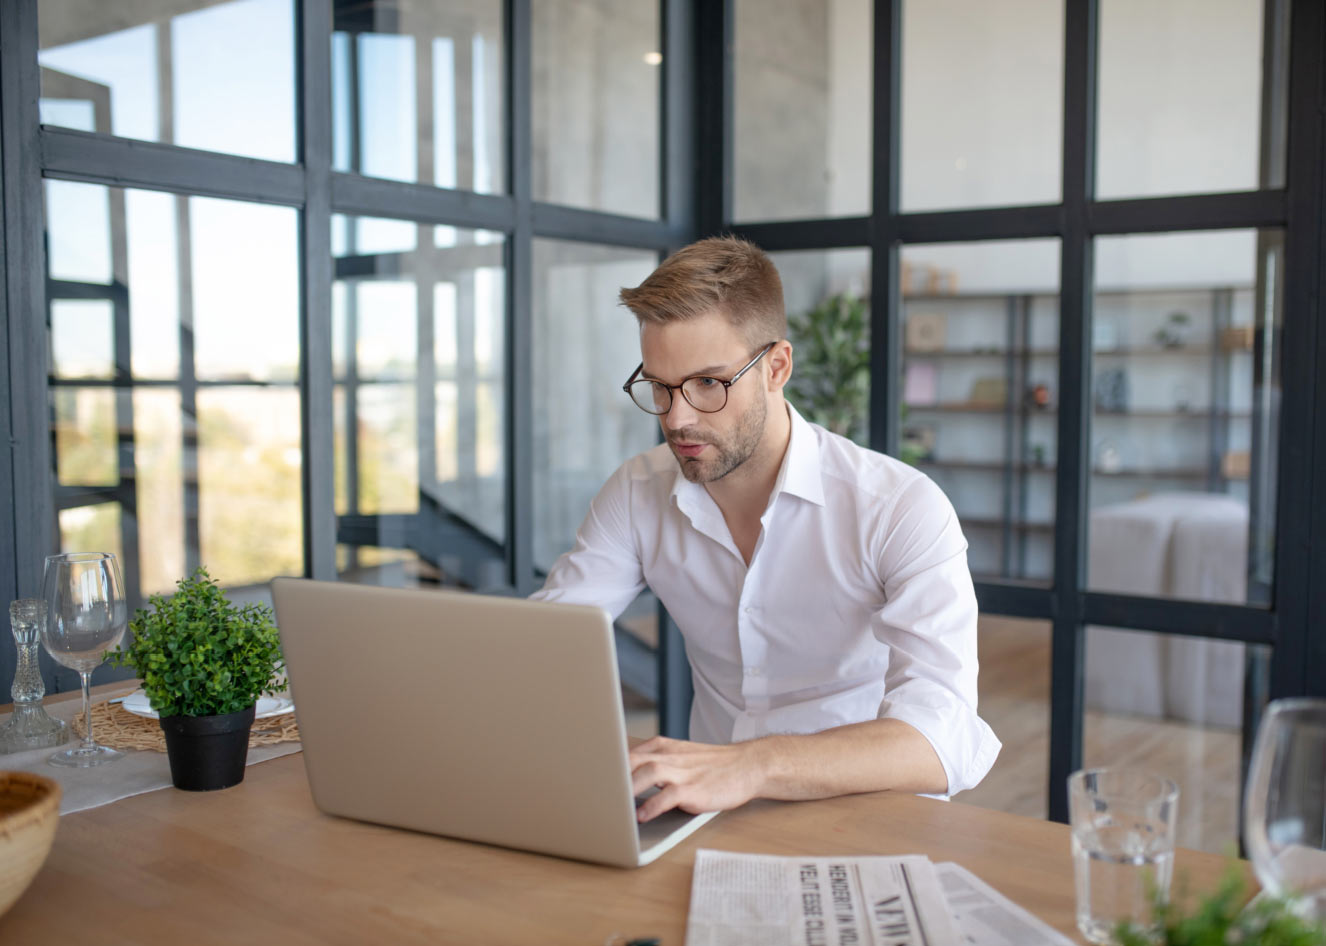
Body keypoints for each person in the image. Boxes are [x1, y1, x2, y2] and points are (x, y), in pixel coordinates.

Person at [531, 236, 999, 823]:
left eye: (708, 384)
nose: (677, 419)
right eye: (659, 386)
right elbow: (542, 651)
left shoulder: (899, 507)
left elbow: (942, 738)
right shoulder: (636, 492)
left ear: (776, 366)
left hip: (867, 819)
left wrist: (751, 765)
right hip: (707, 818)